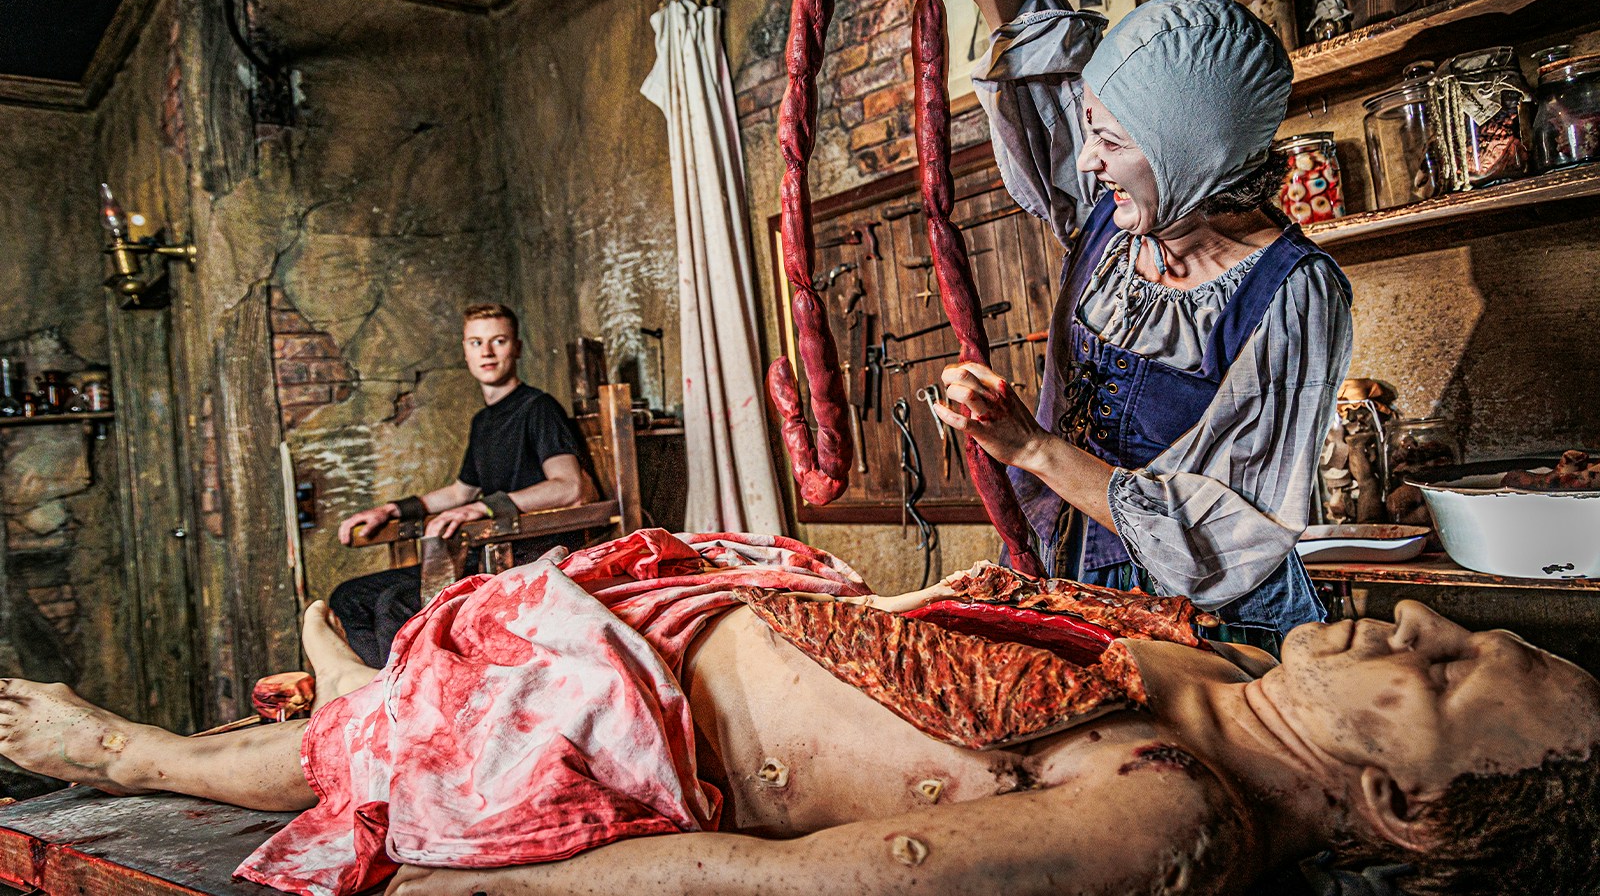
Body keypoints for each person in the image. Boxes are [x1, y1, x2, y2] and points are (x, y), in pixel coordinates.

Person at [1, 531, 1596, 896]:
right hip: (692, 601)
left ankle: (126, 752)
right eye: (1458, 625)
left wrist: (459, 891)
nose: (1420, 618)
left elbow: (755, 889)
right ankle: (340, 688)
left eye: (1448, 670)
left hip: (620, 713)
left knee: (393, 739)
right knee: (400, 671)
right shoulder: (1227, 666)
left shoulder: (1164, 813)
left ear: (1410, 810)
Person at [931, 0, 1354, 651]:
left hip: (1205, 635)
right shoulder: (1115, 214)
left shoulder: (1294, 296)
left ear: (1189, 156)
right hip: (1059, 580)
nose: (1089, 160)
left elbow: (1230, 538)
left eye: (1110, 140)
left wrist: (1033, 449)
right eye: (1089, 130)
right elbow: (1018, 6)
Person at [332, 302, 597, 665]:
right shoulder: (483, 422)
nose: (486, 352)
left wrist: (484, 507)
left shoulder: (538, 408)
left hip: (523, 554)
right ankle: (387, 687)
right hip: (480, 550)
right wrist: (392, 509)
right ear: (465, 350)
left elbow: (569, 487)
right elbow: (461, 491)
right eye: (476, 343)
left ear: (516, 348)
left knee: (391, 603)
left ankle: (406, 691)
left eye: (498, 341)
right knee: (350, 596)